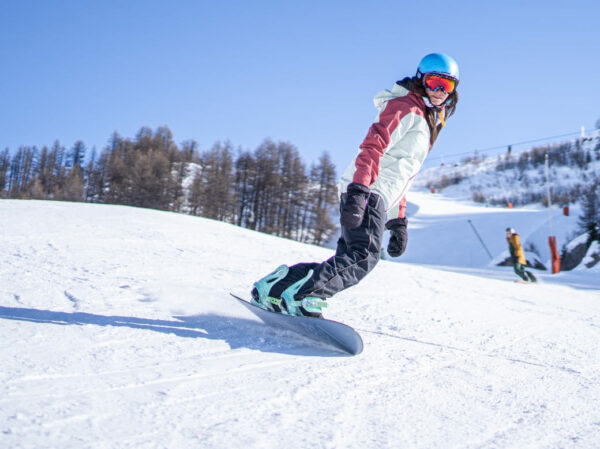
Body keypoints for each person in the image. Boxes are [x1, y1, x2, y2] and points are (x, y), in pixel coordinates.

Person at [251, 53, 460, 318]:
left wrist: (398, 222)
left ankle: (277, 287)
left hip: (375, 192)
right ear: (421, 80)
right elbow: (373, 147)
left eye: (447, 85)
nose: (440, 91)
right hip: (369, 189)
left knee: (347, 258)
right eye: (434, 83)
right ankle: (306, 297)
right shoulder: (405, 107)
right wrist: (360, 191)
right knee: (364, 256)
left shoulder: (425, 119)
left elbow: (402, 172)